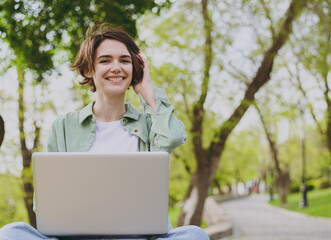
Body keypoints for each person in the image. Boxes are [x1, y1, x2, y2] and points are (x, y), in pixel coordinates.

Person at [0, 23, 209, 240]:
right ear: (89, 69)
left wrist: (147, 91)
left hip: (136, 237)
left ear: (135, 69)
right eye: (105, 60)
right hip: (78, 237)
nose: (116, 67)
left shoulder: (149, 124)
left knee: (195, 235)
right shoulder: (63, 126)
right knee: (10, 233)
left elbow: (173, 137)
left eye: (125, 60)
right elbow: (45, 205)